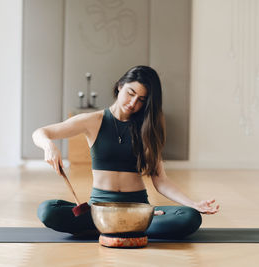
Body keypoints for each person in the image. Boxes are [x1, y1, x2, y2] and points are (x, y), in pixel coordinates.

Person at [32, 65, 220, 238]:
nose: (133, 103)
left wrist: (192, 204)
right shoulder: (94, 121)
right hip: (99, 210)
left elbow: (160, 180)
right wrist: (49, 146)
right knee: (48, 210)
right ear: (120, 86)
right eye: (131, 93)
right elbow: (41, 133)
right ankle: (126, 227)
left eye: (141, 100)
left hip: (138, 209)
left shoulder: (148, 128)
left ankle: (114, 226)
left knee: (189, 217)